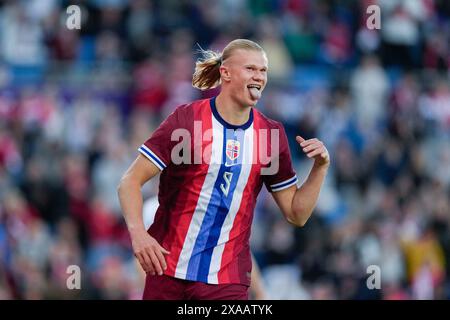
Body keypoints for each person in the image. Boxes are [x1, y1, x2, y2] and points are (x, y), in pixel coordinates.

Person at [117, 39, 330, 300]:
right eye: (251, 69)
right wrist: (139, 235)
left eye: (263, 71)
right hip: (168, 272)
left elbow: (296, 214)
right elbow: (129, 181)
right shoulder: (187, 120)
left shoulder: (271, 136)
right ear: (225, 73)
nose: (259, 77)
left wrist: (320, 168)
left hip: (226, 280)